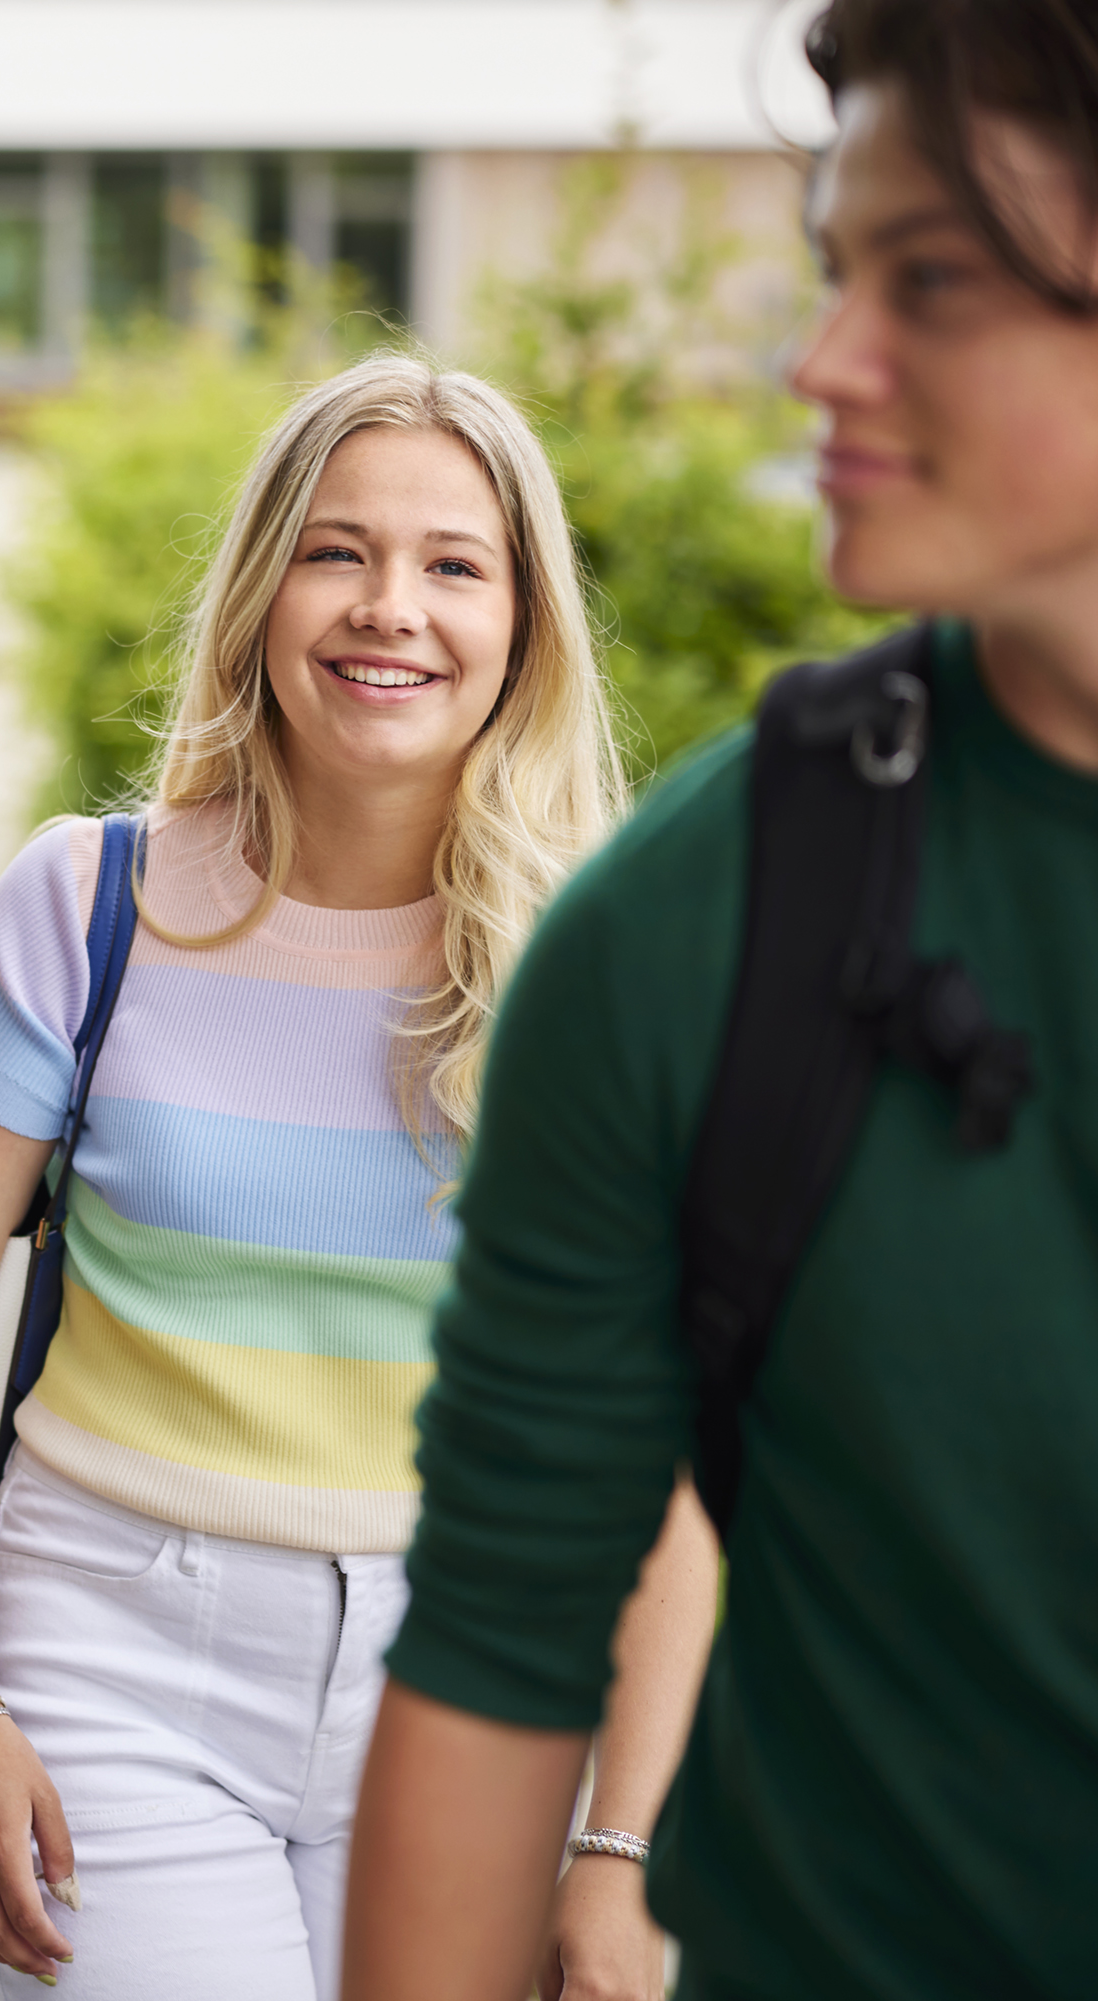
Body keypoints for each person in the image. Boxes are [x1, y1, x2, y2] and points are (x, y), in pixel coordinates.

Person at [343, 5, 1098, 1997]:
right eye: (836, 266)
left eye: (930, 277)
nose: (821, 360)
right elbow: (503, 1639)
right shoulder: (699, 928)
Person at [0, 352, 713, 2001]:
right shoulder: (85, 906)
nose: (393, 607)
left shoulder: (616, 967)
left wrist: (623, 1840)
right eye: (338, 550)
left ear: (523, 626)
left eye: (455, 564)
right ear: (260, 591)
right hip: (114, 1651)